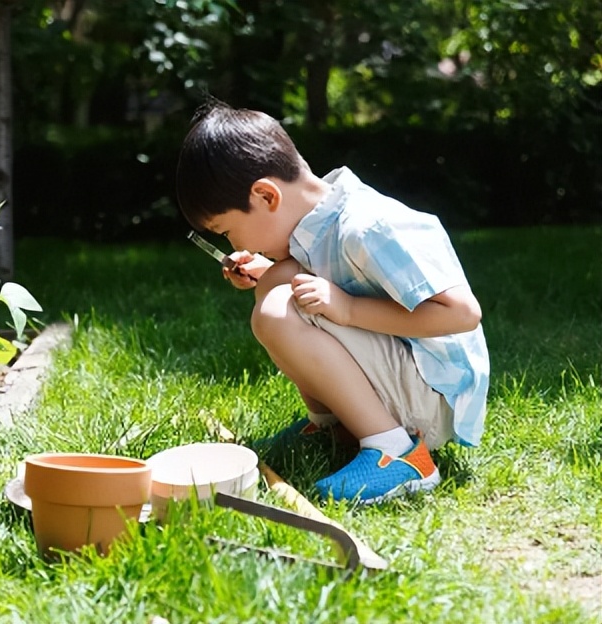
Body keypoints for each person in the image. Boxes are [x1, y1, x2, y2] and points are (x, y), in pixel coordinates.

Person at [176, 99, 489, 504]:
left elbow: (463, 313)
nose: (235, 244)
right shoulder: (319, 223)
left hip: (434, 393)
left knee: (278, 308)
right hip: (407, 378)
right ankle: (332, 428)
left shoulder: (366, 227)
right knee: (277, 287)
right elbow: (301, 271)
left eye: (230, 231)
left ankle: (399, 453)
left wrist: (348, 309)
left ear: (266, 196)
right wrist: (265, 269)